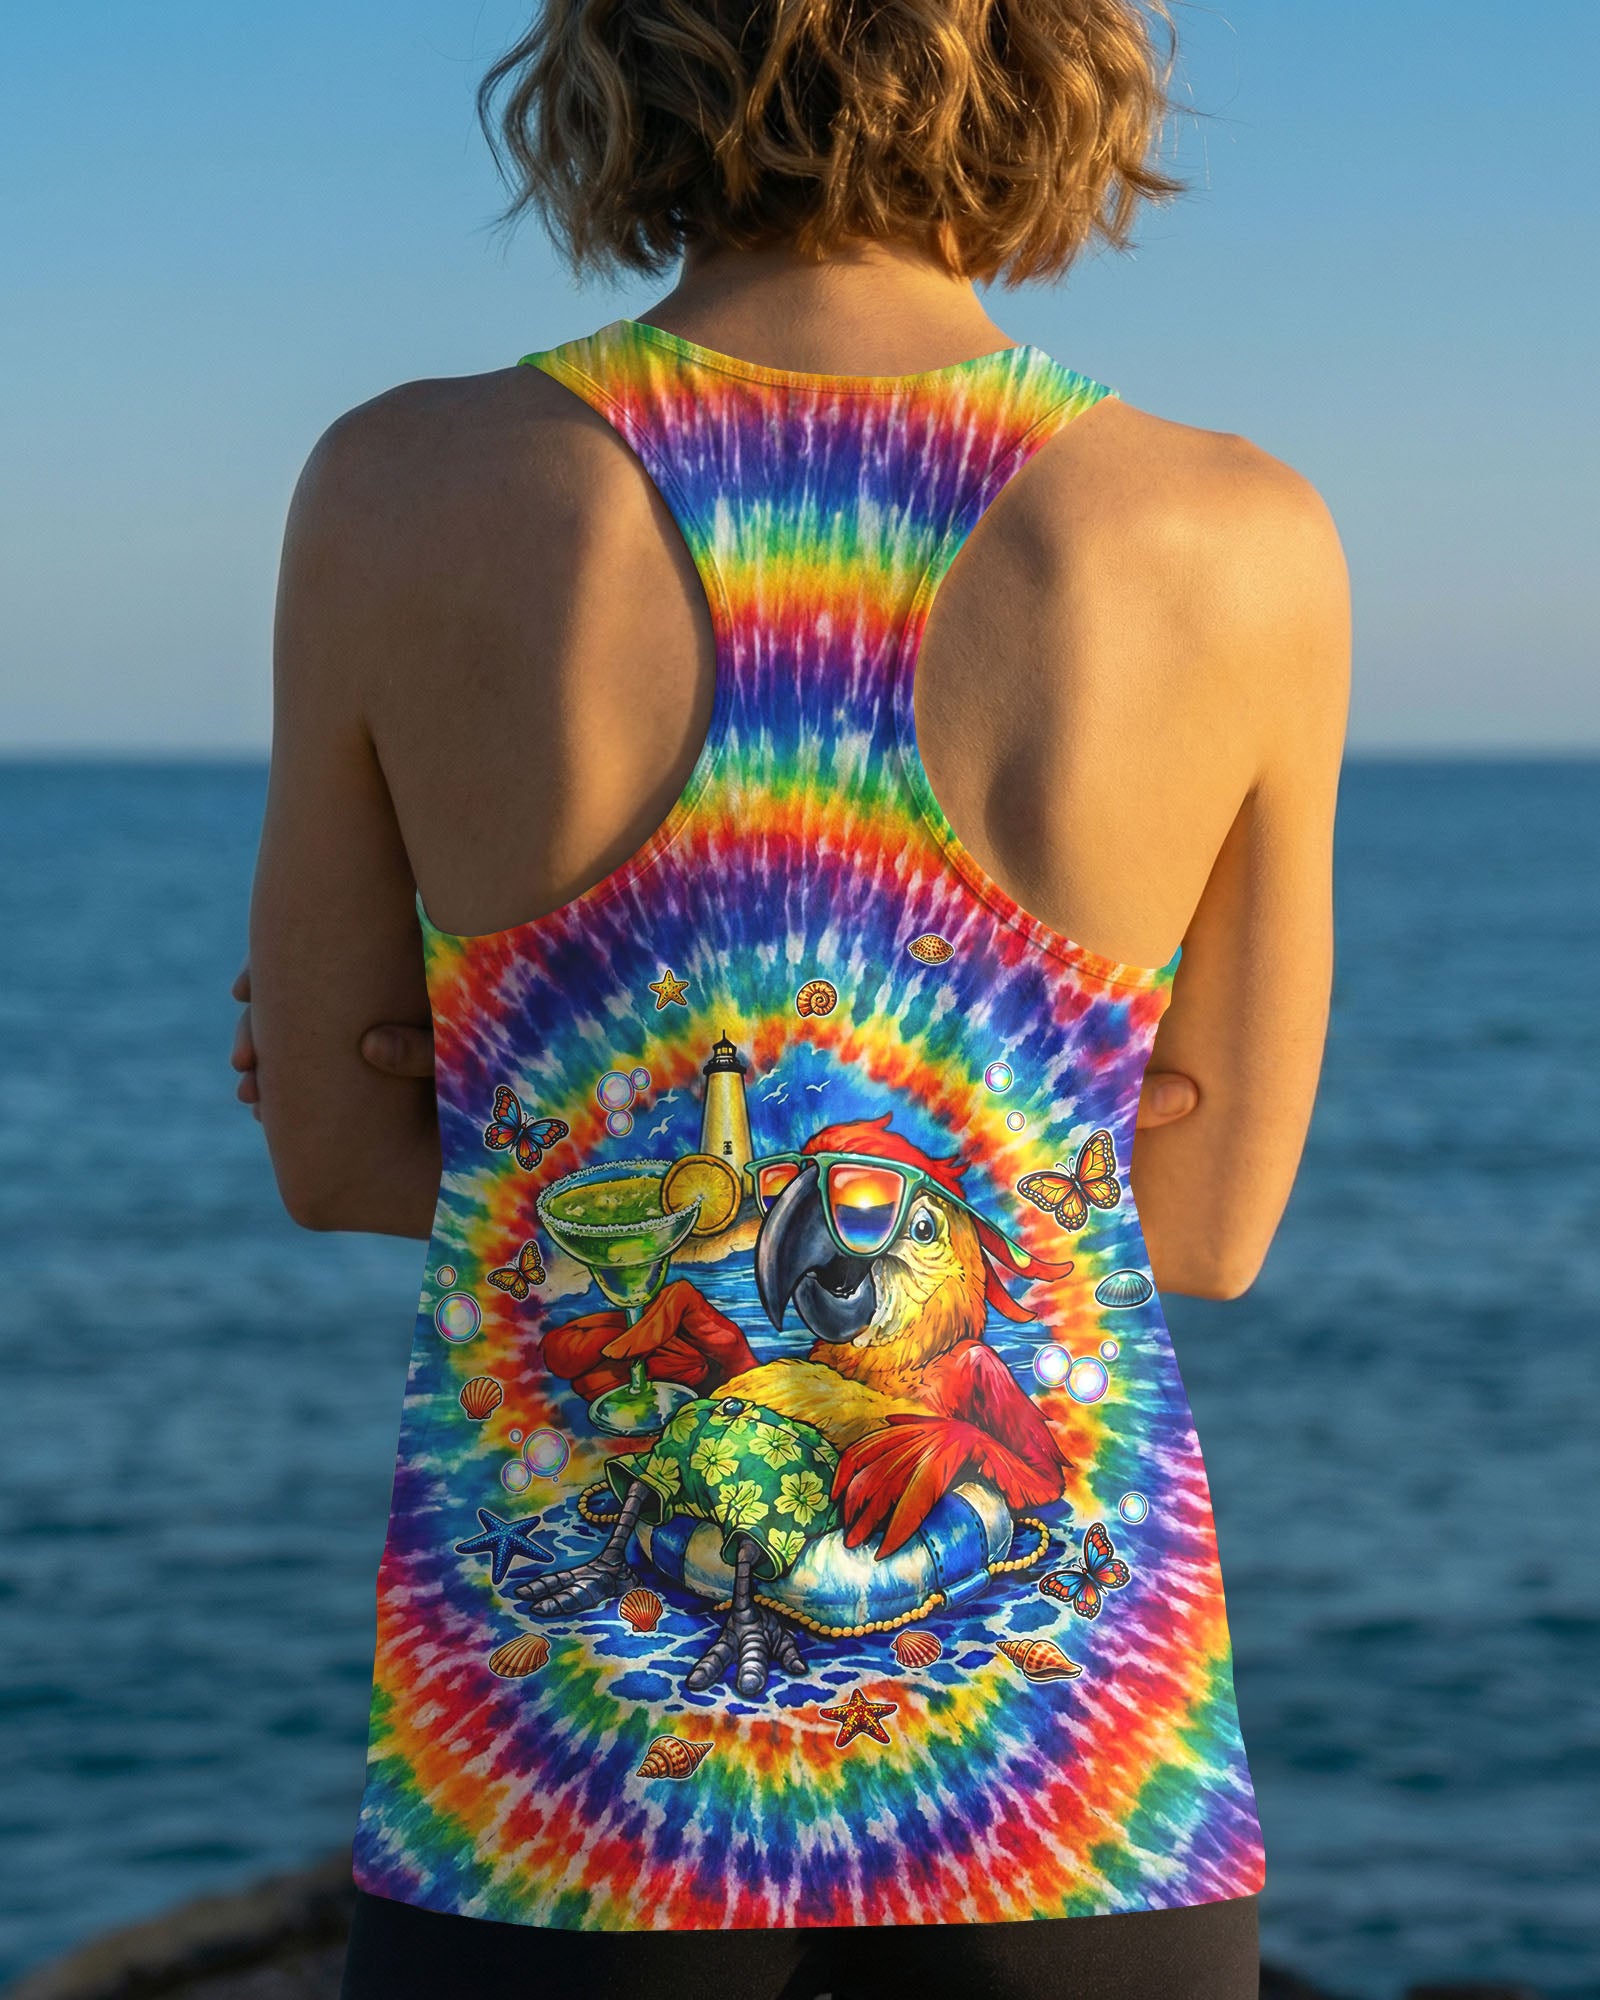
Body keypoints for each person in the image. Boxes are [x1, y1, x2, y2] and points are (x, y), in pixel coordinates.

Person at [234, 0, 1349, 1992]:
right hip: (1069, 1787)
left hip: (563, 1792)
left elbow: (333, 1147)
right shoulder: (1234, 534)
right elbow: (1199, 1224)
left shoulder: (400, 487)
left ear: (618, 55)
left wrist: (534, 1123)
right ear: (1056, 60)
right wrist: (1025, 1152)